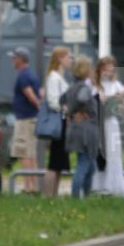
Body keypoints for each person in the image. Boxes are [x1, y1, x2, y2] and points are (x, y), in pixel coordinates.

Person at [91, 56, 124, 198]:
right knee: (99, 152)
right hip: (97, 123)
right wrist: (99, 100)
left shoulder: (116, 84)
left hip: (111, 122)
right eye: (106, 69)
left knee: (113, 153)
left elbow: (123, 107)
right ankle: (98, 186)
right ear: (100, 69)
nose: (109, 72)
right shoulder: (94, 85)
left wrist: (119, 102)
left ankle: (114, 186)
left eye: (111, 69)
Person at [64, 55, 99, 198]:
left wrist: (71, 113)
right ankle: (76, 197)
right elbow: (82, 98)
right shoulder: (84, 87)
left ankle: (86, 195)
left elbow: (62, 100)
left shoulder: (71, 87)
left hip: (76, 129)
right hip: (86, 130)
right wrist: (81, 110)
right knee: (83, 164)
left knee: (90, 167)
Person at [8, 46, 41, 193]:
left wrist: (40, 108)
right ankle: (33, 185)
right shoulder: (32, 74)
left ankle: (29, 187)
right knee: (31, 153)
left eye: (14, 58)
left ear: (20, 59)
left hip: (24, 120)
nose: (12, 60)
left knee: (24, 153)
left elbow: (32, 96)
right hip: (32, 119)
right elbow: (40, 93)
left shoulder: (23, 76)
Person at [42, 46, 72, 197]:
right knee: (54, 162)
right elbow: (53, 101)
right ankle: (48, 195)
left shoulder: (59, 77)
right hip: (59, 122)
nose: (70, 60)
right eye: (68, 57)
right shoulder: (54, 77)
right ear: (60, 59)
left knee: (59, 162)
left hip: (62, 122)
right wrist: (66, 108)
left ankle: (53, 195)